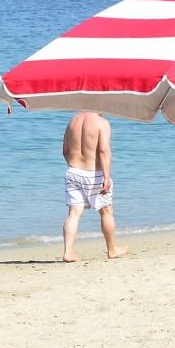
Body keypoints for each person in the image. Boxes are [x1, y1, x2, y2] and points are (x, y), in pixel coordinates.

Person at [61, 111, 126, 262]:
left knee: (74, 213)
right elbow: (104, 150)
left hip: (73, 171)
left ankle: (68, 252)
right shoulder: (102, 123)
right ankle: (112, 249)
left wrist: (76, 168)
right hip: (94, 173)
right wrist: (107, 176)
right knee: (106, 211)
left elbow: (65, 151)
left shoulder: (72, 121)